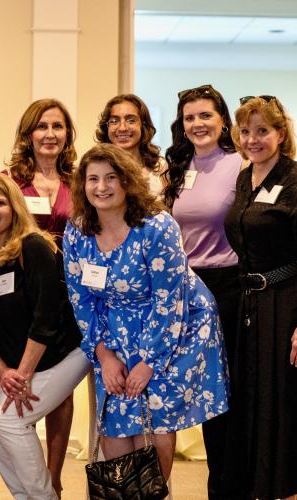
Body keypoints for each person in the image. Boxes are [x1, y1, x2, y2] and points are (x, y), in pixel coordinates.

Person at [63, 143, 229, 483]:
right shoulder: (77, 231)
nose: (102, 187)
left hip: (176, 327)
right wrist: (104, 354)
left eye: (111, 177)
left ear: (127, 181)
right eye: (93, 179)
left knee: (154, 418)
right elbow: (80, 299)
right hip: (114, 331)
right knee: (117, 421)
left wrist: (149, 362)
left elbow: (169, 301)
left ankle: (154, 492)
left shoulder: (157, 227)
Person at [0, 173, 87, 500]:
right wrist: (4, 373)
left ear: (14, 208)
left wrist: (24, 375)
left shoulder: (34, 247)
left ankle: (45, 497)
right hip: (16, 362)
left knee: (7, 420)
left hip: (62, 353)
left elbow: (45, 319)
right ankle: (24, 495)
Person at [163, 83, 241, 500]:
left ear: (223, 120)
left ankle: (225, 487)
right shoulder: (178, 167)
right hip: (186, 289)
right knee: (190, 393)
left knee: (222, 395)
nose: (198, 124)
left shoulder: (240, 163)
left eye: (206, 115)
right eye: (190, 117)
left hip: (228, 288)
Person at [222, 95, 297, 500]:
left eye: (262, 131)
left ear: (281, 134)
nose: (253, 139)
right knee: (252, 396)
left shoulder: (295, 179)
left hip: (286, 302)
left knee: (282, 400)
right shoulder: (244, 177)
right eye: (246, 131)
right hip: (248, 304)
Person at [4, 98, 78, 495]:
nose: (50, 134)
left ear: (67, 134)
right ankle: (31, 474)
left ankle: (54, 477)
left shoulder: (80, 181)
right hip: (21, 295)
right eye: (42, 126)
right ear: (28, 133)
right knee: (29, 382)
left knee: (61, 389)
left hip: (69, 297)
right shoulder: (10, 180)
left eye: (57, 126)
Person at [95, 94, 164, 196]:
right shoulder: (95, 166)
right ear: (107, 127)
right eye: (114, 121)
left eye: (131, 120)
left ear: (143, 125)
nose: (122, 128)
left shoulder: (161, 167)